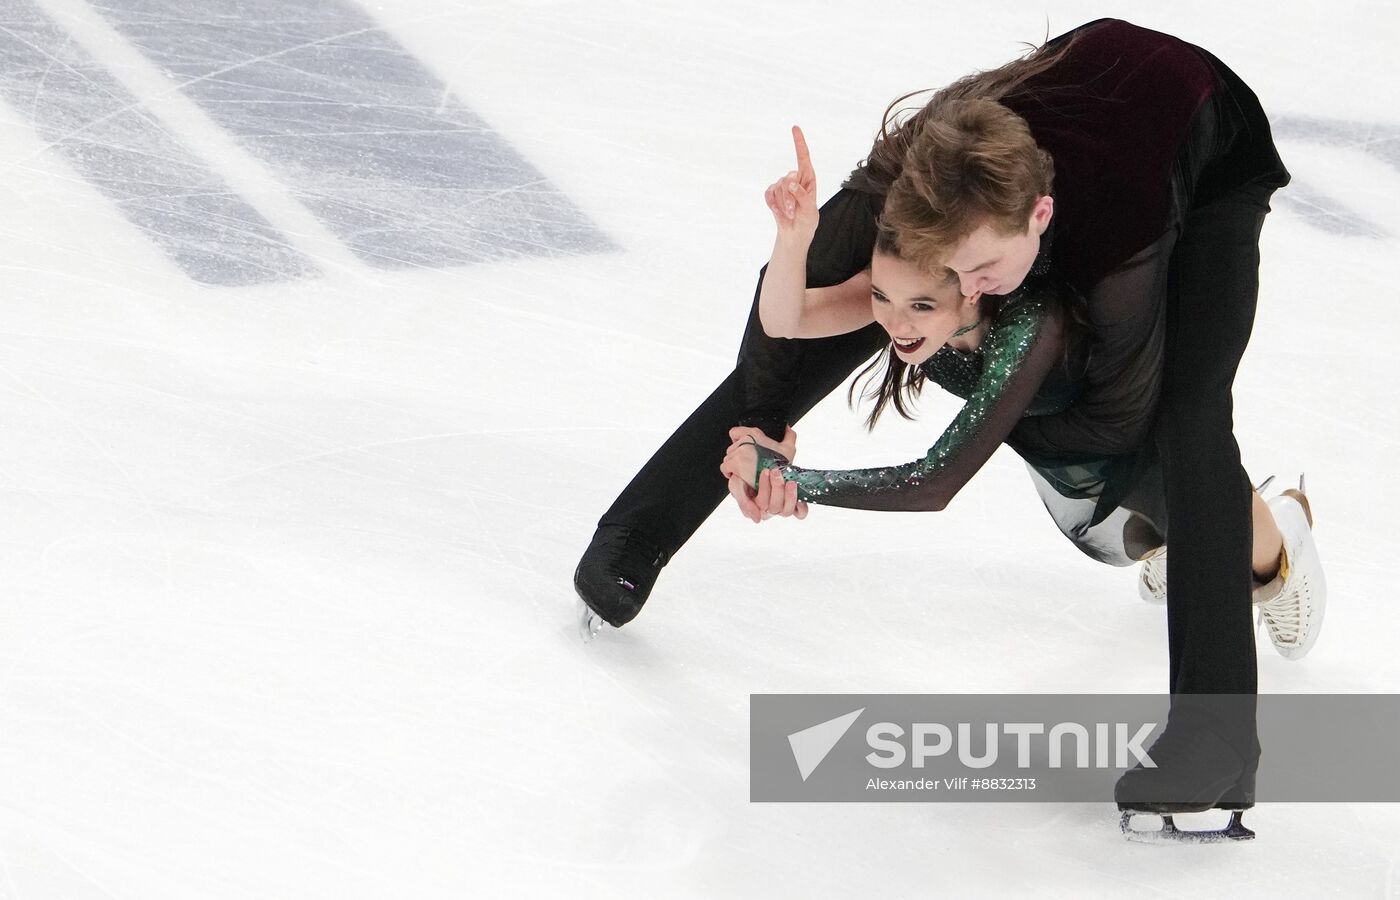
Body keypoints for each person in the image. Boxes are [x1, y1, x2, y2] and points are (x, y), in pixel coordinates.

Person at [575, 19, 1322, 839]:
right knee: (900, 295)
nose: (972, 286)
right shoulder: (916, 181)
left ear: (1040, 217)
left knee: (1186, 422)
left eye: (983, 270)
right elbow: (795, 292)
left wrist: (998, 376)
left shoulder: (1114, 248)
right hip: (1065, 124)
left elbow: (1114, 420)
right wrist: (761, 428)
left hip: (1204, 145)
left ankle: (1222, 725)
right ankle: (638, 531)